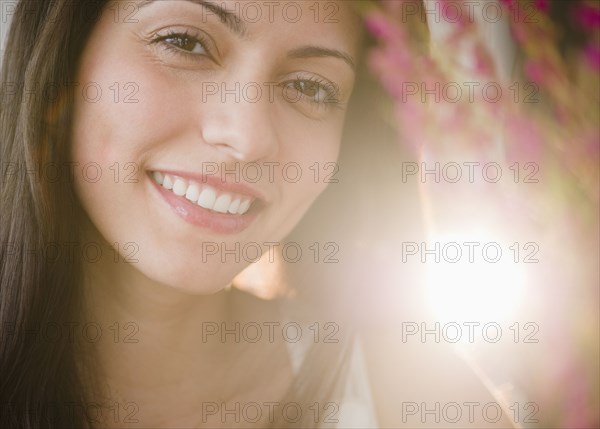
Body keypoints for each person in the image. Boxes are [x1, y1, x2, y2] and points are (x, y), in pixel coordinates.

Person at [0, 1, 516, 428]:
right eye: (184, 42)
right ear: (66, 52)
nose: (246, 138)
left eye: (311, 87)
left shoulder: (422, 395)